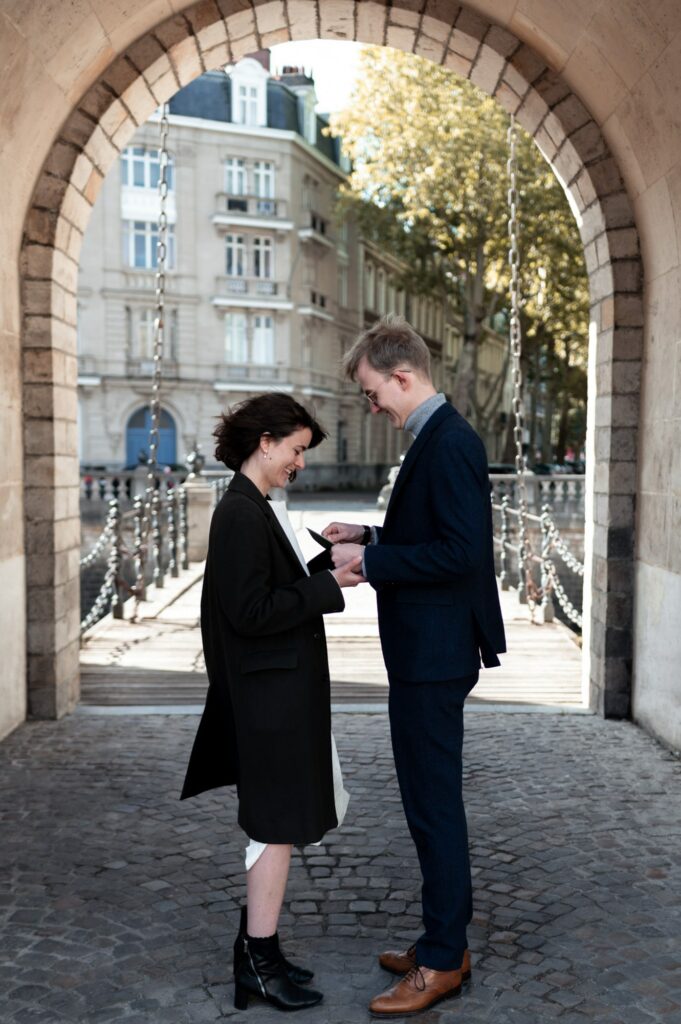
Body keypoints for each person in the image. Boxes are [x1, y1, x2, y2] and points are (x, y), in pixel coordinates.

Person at [323, 315, 506, 1018]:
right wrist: (368, 534)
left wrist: (370, 561)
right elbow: (431, 532)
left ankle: (442, 960)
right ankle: (442, 941)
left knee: (434, 809)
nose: (372, 406)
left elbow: (461, 552)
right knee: (428, 805)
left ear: (402, 377)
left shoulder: (450, 440)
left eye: (372, 393)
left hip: (434, 654)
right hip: (425, 649)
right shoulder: (436, 435)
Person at [180, 393, 365, 1013]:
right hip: (267, 705)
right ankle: (257, 964)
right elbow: (250, 612)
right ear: (265, 443)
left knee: (276, 829)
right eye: (296, 450)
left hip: (275, 698)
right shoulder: (239, 511)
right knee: (272, 832)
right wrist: (326, 585)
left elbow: (262, 589)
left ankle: (260, 953)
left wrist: (320, 566)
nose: (300, 463)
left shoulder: (251, 505)